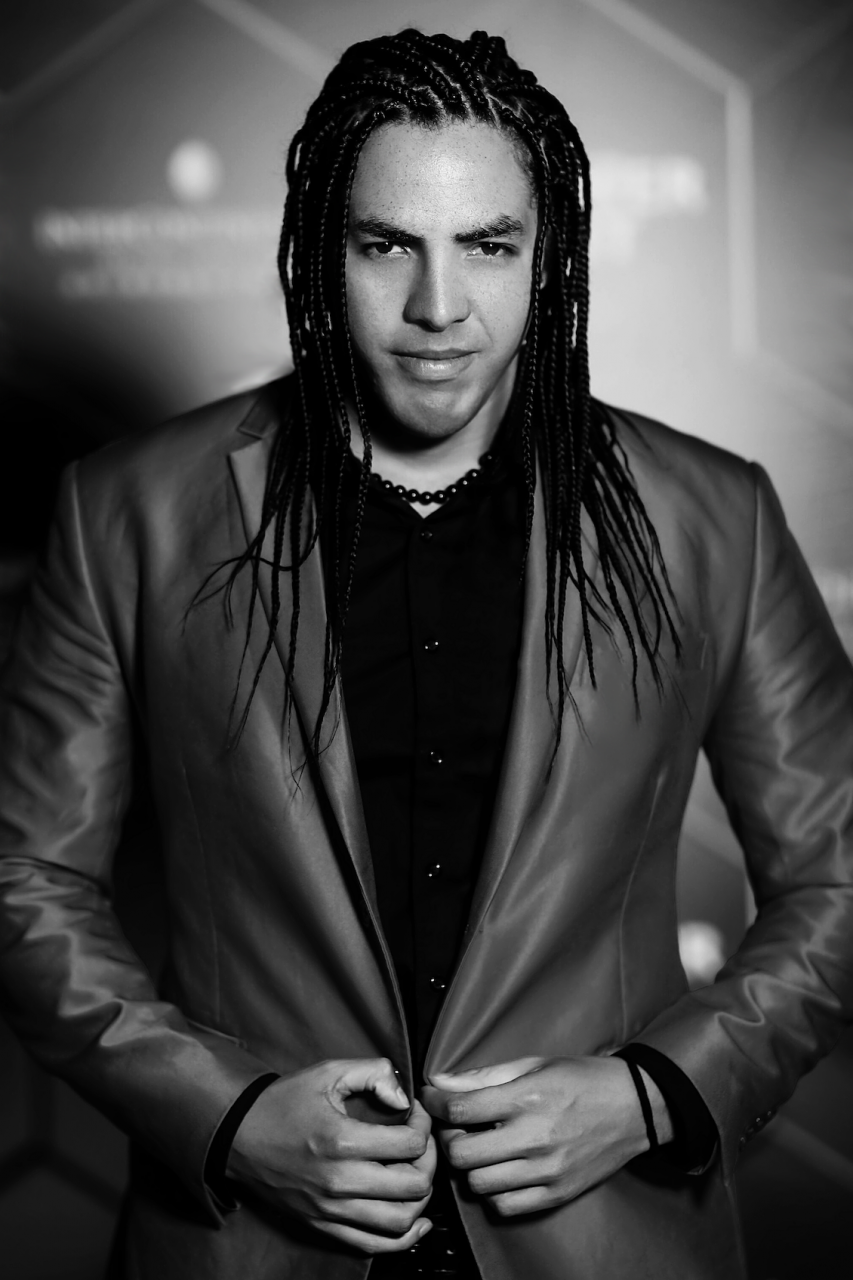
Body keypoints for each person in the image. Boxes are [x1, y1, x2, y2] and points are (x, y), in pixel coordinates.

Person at [1, 28, 852, 1280]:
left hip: (605, 1240)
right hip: (253, 1247)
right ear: (318, 249)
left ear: (548, 254)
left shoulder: (710, 516)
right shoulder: (128, 509)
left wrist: (655, 1092)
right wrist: (228, 1117)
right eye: (386, 244)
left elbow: (838, 872)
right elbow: (25, 878)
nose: (438, 307)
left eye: (488, 245)